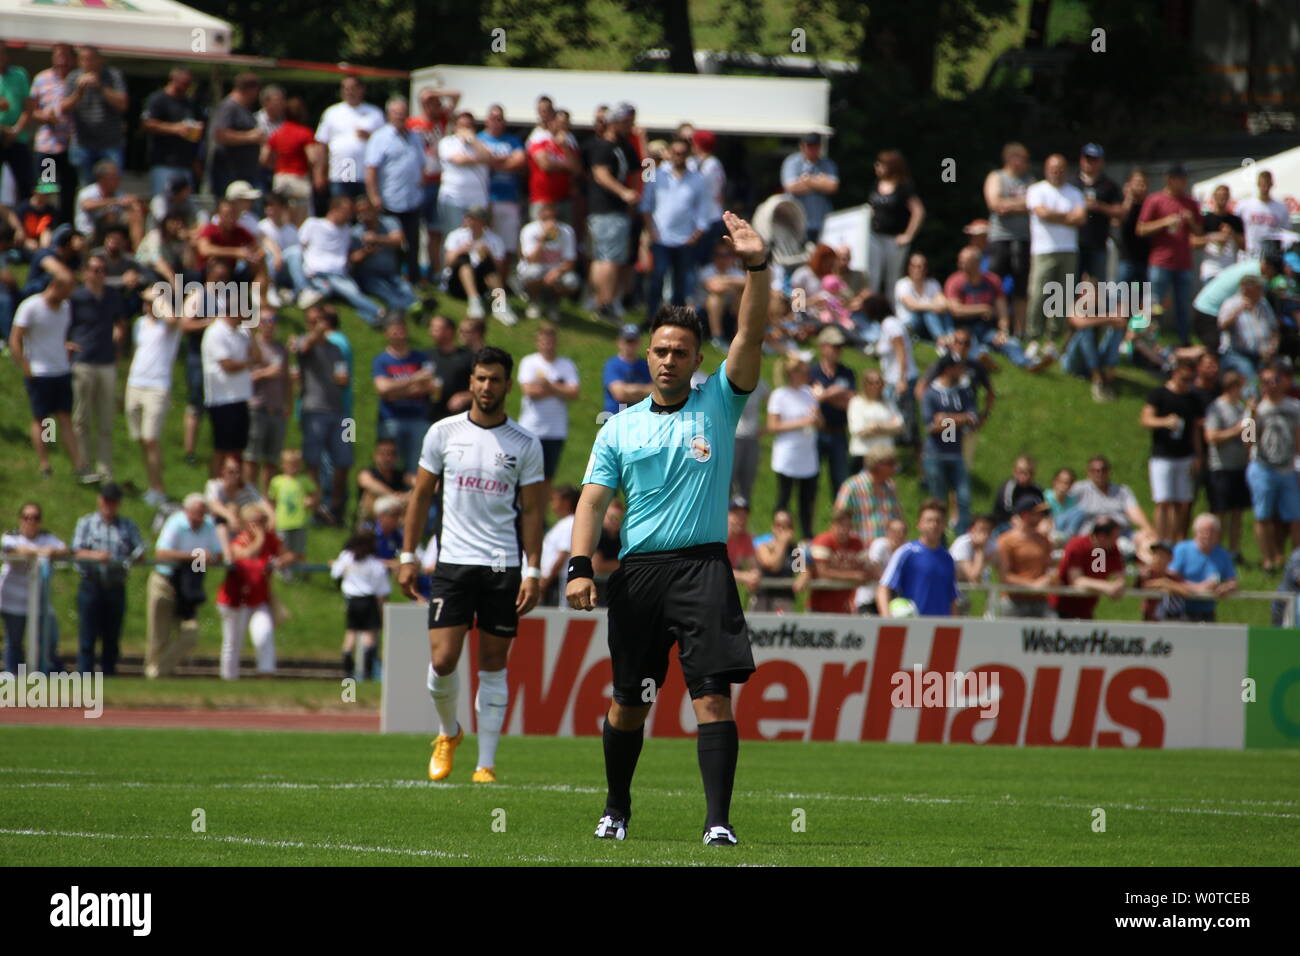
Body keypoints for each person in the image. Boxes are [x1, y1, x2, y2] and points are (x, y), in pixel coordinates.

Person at [565, 211, 769, 847]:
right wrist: (578, 566)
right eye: (660, 350)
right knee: (631, 700)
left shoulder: (720, 399)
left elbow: (752, 335)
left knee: (712, 697)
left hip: (704, 569)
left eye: (681, 352)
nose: (669, 360)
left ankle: (716, 824)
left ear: (698, 359)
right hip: (640, 575)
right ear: (646, 354)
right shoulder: (620, 426)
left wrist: (756, 268)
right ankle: (616, 809)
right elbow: (593, 501)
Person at [397, 347, 544, 783]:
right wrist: (408, 557)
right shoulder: (443, 433)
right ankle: (449, 733)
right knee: (443, 660)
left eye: (495, 379)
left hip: (502, 565)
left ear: (508, 386)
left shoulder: (525, 443)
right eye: (480, 378)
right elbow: (421, 496)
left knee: (494, 663)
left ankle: (486, 763)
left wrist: (533, 570)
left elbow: (534, 511)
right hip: (453, 562)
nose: (486, 387)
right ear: (471, 382)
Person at [10, 275, 87, 479]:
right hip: (39, 371)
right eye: (66, 291)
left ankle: (79, 466)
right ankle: (45, 463)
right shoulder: (31, 307)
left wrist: (66, 347)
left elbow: (55, 336)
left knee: (64, 417)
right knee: (42, 419)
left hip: (61, 370)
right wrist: (25, 366)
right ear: (55, 287)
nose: (68, 296)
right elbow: (15, 339)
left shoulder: (65, 308)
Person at [146, 494, 225, 679]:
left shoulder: (208, 526)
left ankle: (159, 671)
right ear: (186, 511)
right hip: (165, 582)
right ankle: (156, 673)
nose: (199, 517)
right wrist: (195, 556)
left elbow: (218, 555)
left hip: (189, 586)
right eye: (196, 513)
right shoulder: (175, 523)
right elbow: (161, 553)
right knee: (159, 636)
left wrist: (209, 557)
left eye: (202, 513)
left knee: (190, 635)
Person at [217, 503, 294, 679]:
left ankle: (266, 673)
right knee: (233, 642)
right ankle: (229, 677)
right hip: (236, 600)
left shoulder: (270, 539)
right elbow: (245, 555)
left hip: (259, 599)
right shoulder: (238, 541)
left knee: (264, 633)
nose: (260, 526)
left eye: (262, 521)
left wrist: (283, 561)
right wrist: (259, 538)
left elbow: (290, 554)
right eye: (255, 522)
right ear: (246, 523)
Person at [640, 137, 711, 319]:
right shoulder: (656, 174)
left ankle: (676, 320)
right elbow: (646, 205)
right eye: (675, 152)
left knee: (681, 283)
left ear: (688, 155)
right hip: (661, 238)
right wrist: (651, 232)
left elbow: (704, 210)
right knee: (657, 278)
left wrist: (696, 235)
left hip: (685, 239)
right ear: (670, 153)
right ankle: (650, 317)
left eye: (682, 153)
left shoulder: (698, 179)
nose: (678, 156)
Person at [293, 304, 351, 524]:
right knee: (313, 462)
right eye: (315, 321)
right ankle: (315, 508)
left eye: (322, 320)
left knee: (345, 461)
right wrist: (316, 330)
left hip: (342, 414)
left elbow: (343, 375)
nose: (320, 324)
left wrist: (343, 379)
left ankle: (336, 508)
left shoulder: (336, 348)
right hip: (313, 411)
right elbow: (304, 347)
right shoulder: (303, 341)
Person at [125, 284, 182, 505]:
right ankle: (151, 484)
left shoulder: (169, 326)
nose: (148, 305)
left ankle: (158, 488)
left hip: (157, 387)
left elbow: (172, 319)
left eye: (152, 302)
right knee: (141, 438)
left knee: (151, 438)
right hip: (135, 383)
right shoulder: (139, 324)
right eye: (146, 301)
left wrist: (158, 298)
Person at [294, 195, 385, 327]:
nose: (349, 215)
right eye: (346, 211)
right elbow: (300, 247)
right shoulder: (313, 223)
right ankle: (379, 312)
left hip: (338, 274)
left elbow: (350, 258)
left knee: (352, 295)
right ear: (334, 209)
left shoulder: (347, 230)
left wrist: (366, 251)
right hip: (315, 272)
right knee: (343, 293)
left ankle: (375, 318)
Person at [1136, 164, 1203, 345]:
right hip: (1160, 262)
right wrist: (1164, 222)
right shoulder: (1155, 200)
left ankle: (1184, 341)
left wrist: (1191, 222)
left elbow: (1199, 234)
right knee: (1153, 306)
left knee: (1183, 306)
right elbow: (1141, 229)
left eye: (1184, 180)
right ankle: (1147, 341)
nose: (1182, 183)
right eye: (1178, 179)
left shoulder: (1190, 203)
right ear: (1169, 180)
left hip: (1183, 263)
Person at [0, 502, 69, 674]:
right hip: (13, 601)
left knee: (49, 639)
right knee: (14, 642)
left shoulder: (46, 537)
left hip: (39, 601)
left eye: (35, 517)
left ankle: (42, 673)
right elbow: (13, 550)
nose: (31, 521)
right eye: (27, 517)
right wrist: (42, 551)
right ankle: (12, 676)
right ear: (21, 519)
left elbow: (64, 550)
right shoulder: (11, 536)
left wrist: (46, 551)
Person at [1140, 358, 1204, 542]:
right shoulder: (1159, 394)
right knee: (1163, 501)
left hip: (1185, 456)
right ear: (1175, 373)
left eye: (1191, 380)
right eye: (1184, 379)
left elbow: (1195, 430)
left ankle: (1176, 541)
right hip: (1162, 456)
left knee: (1182, 503)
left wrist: (1198, 455)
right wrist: (1164, 422)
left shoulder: (1192, 399)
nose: (1187, 383)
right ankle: (1161, 541)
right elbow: (1145, 419)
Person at [1025, 154, 1085, 346]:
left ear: (1066, 171)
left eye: (1060, 169)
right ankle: (1033, 336)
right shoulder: (1037, 190)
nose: (1056, 173)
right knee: (1038, 294)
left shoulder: (1075, 193)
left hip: (1069, 250)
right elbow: (1042, 213)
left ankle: (1053, 337)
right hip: (1043, 250)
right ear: (1046, 169)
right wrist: (1068, 217)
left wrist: (1054, 216)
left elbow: (1081, 218)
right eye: (1053, 169)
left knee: (1062, 295)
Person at [364, 96, 424, 285]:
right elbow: (371, 169)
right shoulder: (380, 137)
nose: (400, 116)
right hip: (389, 199)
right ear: (389, 114)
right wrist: (374, 196)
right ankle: (394, 277)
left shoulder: (415, 137)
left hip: (412, 199)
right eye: (396, 113)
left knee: (413, 243)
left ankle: (413, 278)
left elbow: (421, 163)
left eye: (403, 113)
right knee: (393, 242)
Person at [585, 105, 638, 322]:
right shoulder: (603, 147)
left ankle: (601, 303)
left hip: (617, 211)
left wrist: (643, 141)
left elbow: (642, 166)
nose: (629, 127)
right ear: (614, 122)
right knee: (609, 258)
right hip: (607, 209)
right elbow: (600, 174)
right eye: (626, 122)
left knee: (604, 257)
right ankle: (604, 304)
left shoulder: (625, 146)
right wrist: (624, 192)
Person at [1246, 362, 1300, 572]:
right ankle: (1269, 560)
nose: (1271, 385)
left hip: (1287, 468)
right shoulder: (1254, 408)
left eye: (1274, 380)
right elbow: (1247, 440)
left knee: (1296, 517)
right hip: (1262, 467)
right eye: (1266, 382)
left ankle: (1295, 561)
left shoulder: (1294, 407)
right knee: (1263, 516)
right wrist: (1251, 416)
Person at [371, 316, 435, 480]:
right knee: (390, 466)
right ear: (386, 333)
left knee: (417, 467)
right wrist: (414, 379)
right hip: (390, 420)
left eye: (401, 329)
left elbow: (429, 387)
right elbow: (383, 389)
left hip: (418, 419)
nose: (398, 333)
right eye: (394, 330)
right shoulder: (381, 360)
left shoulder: (420, 358)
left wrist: (395, 391)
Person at [201, 302, 261, 476]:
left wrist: (254, 334)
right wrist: (249, 363)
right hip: (221, 398)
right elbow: (227, 365)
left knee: (238, 448)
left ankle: (236, 485)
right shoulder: (216, 332)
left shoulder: (243, 333)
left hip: (241, 397)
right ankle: (215, 484)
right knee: (222, 448)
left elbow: (257, 357)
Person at [767, 352, 821, 541]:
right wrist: (801, 422)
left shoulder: (809, 393)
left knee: (807, 501)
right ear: (792, 373)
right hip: (787, 455)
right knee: (784, 499)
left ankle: (806, 538)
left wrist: (816, 416)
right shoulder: (779, 395)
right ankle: (780, 536)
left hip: (807, 455)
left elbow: (819, 423)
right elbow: (772, 426)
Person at [408, 86, 461, 279]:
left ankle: (435, 269)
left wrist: (436, 94)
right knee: (413, 228)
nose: (434, 106)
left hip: (437, 181)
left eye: (436, 103)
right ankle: (412, 269)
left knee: (435, 230)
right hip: (417, 182)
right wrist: (426, 95)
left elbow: (456, 95)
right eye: (430, 102)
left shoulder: (442, 120)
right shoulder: (412, 123)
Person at [921, 355, 977, 534]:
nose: (962, 371)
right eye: (958, 367)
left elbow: (973, 418)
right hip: (935, 454)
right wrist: (960, 419)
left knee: (964, 497)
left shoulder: (963, 392)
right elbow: (931, 426)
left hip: (956, 452)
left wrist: (947, 419)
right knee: (939, 501)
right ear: (948, 369)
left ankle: (961, 538)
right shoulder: (931, 393)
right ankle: (939, 539)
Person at [518, 323, 581, 481]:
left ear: (556, 342)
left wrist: (548, 384)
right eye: (544, 341)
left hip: (556, 431)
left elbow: (574, 393)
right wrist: (560, 389)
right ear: (537, 342)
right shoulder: (529, 362)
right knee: (526, 477)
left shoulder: (567, 365)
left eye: (551, 341)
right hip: (531, 429)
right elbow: (529, 392)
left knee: (547, 478)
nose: (548, 345)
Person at [877, 499, 959, 617]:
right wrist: (887, 619)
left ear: (944, 526)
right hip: (914, 627)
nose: (934, 525)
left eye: (938, 521)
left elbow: (952, 598)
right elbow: (884, 588)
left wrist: (954, 625)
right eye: (929, 521)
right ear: (919, 524)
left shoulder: (948, 558)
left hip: (942, 628)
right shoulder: (907, 553)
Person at [984, 142, 1033, 335]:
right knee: (996, 284)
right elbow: (994, 204)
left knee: (1022, 287)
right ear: (1011, 159)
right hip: (1000, 238)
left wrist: (1009, 205)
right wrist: (1022, 204)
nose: (1025, 164)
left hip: (1024, 239)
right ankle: (997, 327)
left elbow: (1035, 204)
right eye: (1023, 159)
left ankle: (1020, 330)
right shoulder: (996, 177)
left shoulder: (1030, 180)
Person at [62, 45, 128, 183]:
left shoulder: (113, 75)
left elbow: (123, 105)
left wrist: (100, 87)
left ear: (100, 60)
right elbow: (64, 109)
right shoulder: (73, 77)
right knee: (84, 184)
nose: (88, 63)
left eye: (91, 59)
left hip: (110, 143)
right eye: (84, 60)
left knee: (111, 184)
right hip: (82, 143)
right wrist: (79, 92)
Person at [1203, 370, 1251, 559]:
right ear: (1233, 387)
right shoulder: (1216, 408)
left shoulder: (1242, 409)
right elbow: (1211, 436)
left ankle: (1234, 551)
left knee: (1237, 511)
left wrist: (1251, 418)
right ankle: (1215, 549)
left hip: (1240, 466)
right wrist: (1236, 429)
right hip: (1220, 467)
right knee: (1220, 512)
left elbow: (1249, 440)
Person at [331, 528, 390, 679]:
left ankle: (347, 675)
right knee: (369, 638)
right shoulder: (375, 564)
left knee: (350, 635)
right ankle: (367, 673)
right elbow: (382, 591)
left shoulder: (346, 558)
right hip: (368, 600)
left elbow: (336, 573)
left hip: (352, 600)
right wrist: (381, 612)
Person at [477, 103, 527, 276]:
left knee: (507, 246)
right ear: (486, 120)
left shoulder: (512, 140)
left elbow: (519, 161)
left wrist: (492, 162)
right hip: (485, 199)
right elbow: (480, 160)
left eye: (500, 119)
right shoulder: (479, 139)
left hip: (509, 199)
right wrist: (505, 161)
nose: (497, 122)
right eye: (493, 118)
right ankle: (486, 283)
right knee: (486, 244)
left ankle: (502, 286)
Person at [867, 150, 924, 302]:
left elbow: (918, 212)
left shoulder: (904, 187)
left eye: (881, 164)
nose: (877, 167)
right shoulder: (876, 184)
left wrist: (908, 235)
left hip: (894, 239)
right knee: (873, 275)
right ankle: (871, 310)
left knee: (893, 277)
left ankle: (892, 310)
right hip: (874, 237)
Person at [315, 75, 384, 200]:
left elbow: (385, 142)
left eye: (352, 88)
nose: (349, 92)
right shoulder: (332, 112)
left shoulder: (375, 113)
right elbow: (322, 144)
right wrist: (319, 173)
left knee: (364, 212)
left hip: (366, 172)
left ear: (361, 89)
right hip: (342, 171)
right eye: (345, 88)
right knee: (343, 209)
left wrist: (370, 137)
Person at [442, 206, 515, 324]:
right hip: (456, 283)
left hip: (482, 283)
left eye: (473, 218)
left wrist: (488, 254)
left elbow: (500, 269)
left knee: (488, 264)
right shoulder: (456, 235)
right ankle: (474, 301)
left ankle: (500, 305)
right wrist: (460, 250)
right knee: (463, 260)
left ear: (482, 221)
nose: (468, 220)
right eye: (468, 217)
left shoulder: (495, 240)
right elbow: (447, 263)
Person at [31, 43, 77, 227]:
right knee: (47, 187)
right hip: (48, 147)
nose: (62, 61)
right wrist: (44, 116)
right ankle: (44, 226)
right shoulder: (42, 79)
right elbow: (31, 111)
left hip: (71, 147)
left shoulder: (76, 79)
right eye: (59, 56)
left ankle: (65, 228)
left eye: (66, 56)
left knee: (68, 191)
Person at [140, 66, 202, 198]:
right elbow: (147, 124)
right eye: (184, 83)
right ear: (173, 79)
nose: (186, 86)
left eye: (189, 84)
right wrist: (176, 129)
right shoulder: (158, 99)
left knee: (183, 205)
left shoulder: (190, 103)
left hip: (185, 164)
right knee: (162, 203)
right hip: (163, 163)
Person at [245, 313, 290, 492]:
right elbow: (242, 377)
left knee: (272, 459)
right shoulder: (251, 346)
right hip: (256, 407)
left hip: (276, 409)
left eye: (273, 321)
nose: (269, 325)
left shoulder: (281, 349)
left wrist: (288, 403)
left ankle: (266, 498)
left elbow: (286, 378)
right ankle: (250, 496)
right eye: (265, 321)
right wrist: (265, 373)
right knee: (252, 456)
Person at [350, 196, 418, 315]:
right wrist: (366, 252)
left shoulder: (389, 222)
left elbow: (399, 241)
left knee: (406, 289)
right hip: (370, 276)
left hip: (391, 272)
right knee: (387, 293)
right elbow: (352, 259)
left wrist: (377, 239)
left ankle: (417, 306)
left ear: (374, 209)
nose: (365, 214)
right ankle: (405, 309)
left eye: (367, 209)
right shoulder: (355, 232)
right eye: (361, 211)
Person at [1051, 518, 1126, 621]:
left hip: (1087, 611)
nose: (1116, 542)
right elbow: (1077, 581)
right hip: (1061, 608)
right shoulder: (1077, 546)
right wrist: (1107, 586)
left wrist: (1118, 585)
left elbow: (1119, 575)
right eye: (1114, 538)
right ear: (1102, 537)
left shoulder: (1111, 550)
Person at [517, 201, 579, 319]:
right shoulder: (529, 229)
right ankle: (534, 302)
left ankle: (553, 304)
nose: (550, 218)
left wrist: (557, 272)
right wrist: (542, 239)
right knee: (534, 272)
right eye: (546, 214)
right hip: (534, 269)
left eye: (552, 214)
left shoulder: (567, 231)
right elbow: (530, 260)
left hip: (556, 271)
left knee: (572, 282)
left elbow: (570, 262)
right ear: (539, 214)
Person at [1170, 514, 1238, 623]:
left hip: (1208, 612)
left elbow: (1233, 582)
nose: (1207, 535)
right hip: (1181, 611)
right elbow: (1171, 578)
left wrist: (1226, 587)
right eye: (1203, 531)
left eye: (1212, 531)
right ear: (1195, 532)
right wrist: (1197, 588)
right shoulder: (1182, 549)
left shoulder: (1223, 554)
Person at [262, 97, 319, 224]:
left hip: (280, 178)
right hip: (298, 178)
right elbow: (313, 158)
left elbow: (264, 159)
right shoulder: (305, 133)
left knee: (283, 220)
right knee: (300, 222)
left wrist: (276, 165)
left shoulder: (277, 133)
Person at [803, 508, 871, 615]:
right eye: (840, 525)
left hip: (845, 607)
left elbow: (864, 570)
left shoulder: (857, 543)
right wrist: (853, 575)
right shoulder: (823, 541)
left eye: (847, 525)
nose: (843, 529)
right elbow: (823, 572)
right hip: (819, 607)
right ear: (832, 525)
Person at [437, 110, 493, 241]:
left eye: (469, 126)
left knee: (479, 237)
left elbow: (488, 157)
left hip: (477, 199)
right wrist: (479, 159)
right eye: (462, 125)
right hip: (454, 198)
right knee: (454, 237)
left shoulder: (480, 143)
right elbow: (459, 160)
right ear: (455, 126)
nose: (465, 129)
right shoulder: (447, 142)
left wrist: (473, 140)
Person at [996, 497, 1055, 618]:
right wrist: (1032, 585)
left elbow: (1050, 568)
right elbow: (1004, 576)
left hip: (1040, 601)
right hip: (1014, 601)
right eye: (1038, 513)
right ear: (1025, 515)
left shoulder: (1044, 540)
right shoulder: (1006, 541)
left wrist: (1049, 578)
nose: (1042, 516)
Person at [1217, 273, 1278, 389]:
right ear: (1247, 288)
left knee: (1279, 376)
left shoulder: (1264, 304)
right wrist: (1238, 310)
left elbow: (1275, 330)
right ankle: (1251, 403)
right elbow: (1222, 326)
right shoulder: (1231, 303)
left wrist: (1273, 347)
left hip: (1263, 354)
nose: (1262, 290)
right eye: (1259, 287)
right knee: (1251, 380)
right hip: (1238, 354)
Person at [208, 73, 263, 201]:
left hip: (245, 171)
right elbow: (220, 133)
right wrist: (249, 137)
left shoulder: (245, 109)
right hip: (229, 172)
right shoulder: (229, 107)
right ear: (250, 89)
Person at [1073, 143, 1124, 283]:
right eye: (1088, 158)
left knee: (1100, 285)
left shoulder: (1109, 185)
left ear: (1101, 162)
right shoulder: (1072, 183)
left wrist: (1100, 206)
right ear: (1081, 159)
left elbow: (1120, 211)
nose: (1090, 163)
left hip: (1098, 243)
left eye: (1094, 159)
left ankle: (1099, 306)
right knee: (1072, 285)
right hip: (1074, 243)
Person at [781, 132, 839, 244]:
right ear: (802, 146)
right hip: (797, 223)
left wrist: (807, 180)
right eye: (809, 145)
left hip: (820, 222)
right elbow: (791, 187)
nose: (812, 149)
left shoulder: (827, 164)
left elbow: (832, 187)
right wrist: (820, 183)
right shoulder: (792, 162)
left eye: (815, 146)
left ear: (820, 147)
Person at [268, 448, 316, 574]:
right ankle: (282, 572)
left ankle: (300, 573)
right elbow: (271, 500)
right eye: (290, 464)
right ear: (283, 464)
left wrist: (311, 500)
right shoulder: (277, 481)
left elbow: (315, 493)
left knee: (299, 549)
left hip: (299, 521)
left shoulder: (304, 480)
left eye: (296, 464)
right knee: (282, 549)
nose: (293, 467)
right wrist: (271, 517)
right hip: (282, 521)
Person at [894, 252, 952, 346]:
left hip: (929, 322)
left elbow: (943, 303)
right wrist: (933, 305)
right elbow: (912, 305)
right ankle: (942, 339)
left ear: (926, 269)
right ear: (909, 267)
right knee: (928, 312)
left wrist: (936, 306)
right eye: (914, 266)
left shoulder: (933, 284)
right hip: (909, 324)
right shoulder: (902, 284)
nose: (916, 269)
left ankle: (950, 337)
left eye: (920, 266)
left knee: (944, 312)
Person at [426, 313, 474, 423]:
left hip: (459, 418)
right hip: (430, 417)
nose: (431, 332)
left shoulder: (468, 357)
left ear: (449, 331)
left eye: (436, 329)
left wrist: (465, 396)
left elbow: (483, 386)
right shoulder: (426, 356)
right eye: (431, 328)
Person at [731, 375, 770, 507]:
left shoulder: (760, 384)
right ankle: (723, 519)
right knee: (727, 483)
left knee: (747, 482)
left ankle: (741, 518)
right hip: (733, 438)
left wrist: (766, 427)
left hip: (752, 439)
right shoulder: (729, 380)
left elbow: (774, 403)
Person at [1195, 184, 1245, 285]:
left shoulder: (1235, 220)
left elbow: (1244, 246)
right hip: (1210, 270)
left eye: (1225, 195)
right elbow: (1194, 242)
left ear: (1228, 198)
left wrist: (1232, 234)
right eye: (1219, 195)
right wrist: (1212, 238)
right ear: (1214, 197)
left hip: (1229, 269)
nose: (1222, 198)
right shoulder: (1206, 219)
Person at [1236, 169, 1290, 258]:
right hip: (1249, 255)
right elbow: (1237, 230)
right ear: (1258, 184)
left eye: (1267, 185)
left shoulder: (1281, 208)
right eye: (1262, 184)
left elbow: (1286, 233)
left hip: (1270, 256)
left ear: (1272, 184)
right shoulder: (1245, 205)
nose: (1265, 188)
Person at [540, 485, 579, 606]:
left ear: (566, 502)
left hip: (556, 582)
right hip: (553, 580)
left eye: (554, 500)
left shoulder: (569, 523)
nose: (552, 505)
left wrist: (544, 582)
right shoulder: (564, 523)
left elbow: (562, 555)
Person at [602, 323, 653, 417]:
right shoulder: (612, 364)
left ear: (639, 342)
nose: (631, 345)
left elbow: (656, 392)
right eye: (628, 341)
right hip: (615, 419)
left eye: (634, 341)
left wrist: (628, 389)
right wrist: (644, 391)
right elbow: (620, 394)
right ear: (619, 342)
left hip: (640, 420)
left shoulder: (646, 365)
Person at [990, 455, 1044, 531]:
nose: (1025, 476)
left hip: (1031, 525)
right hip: (1005, 525)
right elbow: (1008, 514)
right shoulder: (1007, 489)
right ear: (1015, 471)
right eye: (1021, 472)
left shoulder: (1037, 490)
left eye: (1029, 472)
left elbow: (1043, 510)